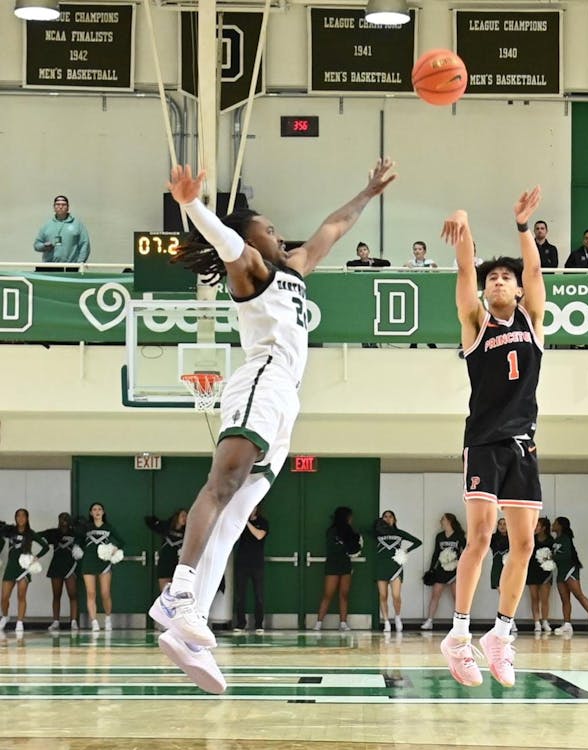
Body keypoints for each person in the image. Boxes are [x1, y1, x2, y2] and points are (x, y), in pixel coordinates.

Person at [147, 158, 395, 694]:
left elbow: (334, 226)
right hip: (260, 381)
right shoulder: (252, 268)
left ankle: (189, 634)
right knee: (224, 486)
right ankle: (179, 593)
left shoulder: (296, 269)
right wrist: (192, 205)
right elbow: (228, 243)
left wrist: (368, 190)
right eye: (269, 227)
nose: (279, 233)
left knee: (236, 515)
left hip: (286, 399)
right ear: (250, 238)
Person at [436, 187, 546, 688]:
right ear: (486, 293)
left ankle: (499, 634)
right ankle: (458, 635)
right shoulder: (476, 323)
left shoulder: (532, 319)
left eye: (506, 278)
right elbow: (464, 271)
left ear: (517, 290)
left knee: (522, 543)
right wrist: (463, 216)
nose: (499, 281)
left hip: (523, 444)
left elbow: (537, 272)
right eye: (493, 278)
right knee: (480, 536)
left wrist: (523, 227)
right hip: (483, 441)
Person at [0, 509, 51, 635]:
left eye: (23, 516)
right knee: (4, 597)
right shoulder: (10, 531)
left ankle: (19, 621)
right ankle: (5, 616)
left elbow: (46, 547)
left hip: (24, 568)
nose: (21, 518)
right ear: (15, 518)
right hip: (11, 567)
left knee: (21, 596)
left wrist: (36, 557)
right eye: (18, 516)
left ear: (27, 518)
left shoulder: (31, 533)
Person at [550, 516, 588, 636]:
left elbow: (567, 555)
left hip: (570, 570)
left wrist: (552, 557)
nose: (553, 525)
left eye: (555, 523)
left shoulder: (566, 538)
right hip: (560, 571)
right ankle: (567, 625)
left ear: (560, 525)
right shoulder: (556, 539)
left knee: (578, 595)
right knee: (565, 599)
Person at [372, 510, 422, 633]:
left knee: (396, 596)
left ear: (394, 519)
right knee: (383, 595)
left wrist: (406, 551)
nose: (388, 519)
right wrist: (377, 525)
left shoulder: (399, 533)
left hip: (396, 567)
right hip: (381, 566)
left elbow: (417, 542)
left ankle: (398, 617)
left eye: (390, 517)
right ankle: (386, 622)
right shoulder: (377, 534)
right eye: (385, 517)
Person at [314, 506, 361, 632]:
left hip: (345, 564)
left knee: (344, 594)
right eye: (350, 517)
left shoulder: (350, 531)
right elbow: (334, 548)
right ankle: (318, 623)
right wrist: (345, 546)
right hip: (333, 564)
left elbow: (353, 547)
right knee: (328, 594)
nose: (351, 519)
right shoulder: (332, 531)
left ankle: (343, 623)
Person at [80, 502, 124, 633]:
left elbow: (122, 541)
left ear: (103, 512)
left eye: (99, 509)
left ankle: (108, 618)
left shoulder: (108, 527)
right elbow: (78, 540)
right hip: (88, 561)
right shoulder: (86, 527)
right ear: (91, 513)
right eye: (94, 509)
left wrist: (115, 548)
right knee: (91, 593)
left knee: (105, 593)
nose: (97, 511)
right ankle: (94, 622)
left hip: (104, 563)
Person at [421, 513, 466, 631]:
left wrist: (462, 567)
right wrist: (432, 568)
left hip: (455, 569)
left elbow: (464, 553)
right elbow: (436, 553)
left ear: (449, 521)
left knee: (457, 596)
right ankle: (429, 620)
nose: (441, 521)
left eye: (443, 519)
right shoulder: (439, 536)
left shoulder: (459, 536)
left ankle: (459, 624)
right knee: (435, 594)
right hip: (441, 569)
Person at [41, 512, 83, 632]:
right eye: (61, 518)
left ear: (69, 520)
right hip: (56, 566)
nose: (64, 520)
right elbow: (36, 535)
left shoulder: (76, 533)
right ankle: (56, 621)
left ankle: (73, 621)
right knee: (56, 595)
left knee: (73, 594)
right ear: (58, 520)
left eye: (66, 518)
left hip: (70, 566)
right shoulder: (53, 532)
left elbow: (84, 540)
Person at [233, 505, 269, 634]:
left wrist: (246, 522)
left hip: (257, 564)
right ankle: (240, 623)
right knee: (240, 595)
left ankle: (259, 624)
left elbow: (259, 535)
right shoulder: (240, 523)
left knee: (259, 595)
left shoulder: (263, 522)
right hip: (241, 563)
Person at [33, 195, 91, 267]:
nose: (60, 207)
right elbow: (36, 245)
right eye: (57, 204)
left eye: (63, 205)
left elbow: (85, 244)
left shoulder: (77, 225)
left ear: (68, 207)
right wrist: (44, 246)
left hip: (71, 267)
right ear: (54, 207)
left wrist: (79, 263)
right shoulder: (47, 225)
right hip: (49, 267)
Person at [145, 509, 188, 592]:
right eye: (183, 515)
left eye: (187, 516)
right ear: (177, 517)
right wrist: (160, 522)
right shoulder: (166, 528)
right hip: (165, 563)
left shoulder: (187, 532)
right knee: (165, 593)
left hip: (178, 564)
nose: (185, 518)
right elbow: (149, 521)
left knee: (177, 593)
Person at [526, 516, 555, 633]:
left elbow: (554, 555)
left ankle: (545, 621)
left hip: (545, 572)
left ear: (543, 528)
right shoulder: (531, 539)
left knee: (544, 599)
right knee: (534, 598)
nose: (535, 527)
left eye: (537, 525)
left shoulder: (550, 540)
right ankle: (536, 622)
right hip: (532, 571)